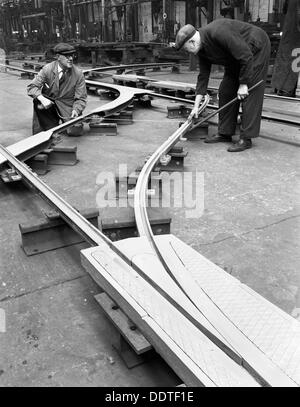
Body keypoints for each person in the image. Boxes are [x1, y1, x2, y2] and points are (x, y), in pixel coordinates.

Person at [175, 20, 271, 152]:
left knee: (250, 91)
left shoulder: (218, 32)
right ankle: (225, 133)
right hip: (236, 57)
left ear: (192, 42)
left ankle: (246, 138)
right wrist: (196, 107)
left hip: (255, 48)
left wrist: (243, 84)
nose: (189, 52)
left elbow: (246, 56)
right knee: (226, 90)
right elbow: (203, 77)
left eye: (187, 49)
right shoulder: (201, 50)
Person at [27, 43, 87, 135]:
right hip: (49, 105)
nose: (71, 59)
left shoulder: (78, 74)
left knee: (75, 132)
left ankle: (64, 123)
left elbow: (81, 98)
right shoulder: (47, 69)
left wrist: (76, 110)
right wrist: (42, 98)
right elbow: (32, 87)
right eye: (67, 56)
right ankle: (49, 125)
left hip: (67, 105)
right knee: (37, 100)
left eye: (72, 55)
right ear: (58, 57)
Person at [271, 0, 300, 97]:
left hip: (289, 30)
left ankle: (279, 87)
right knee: (294, 59)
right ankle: (287, 89)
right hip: (296, 33)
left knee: (285, 57)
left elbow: (284, 10)